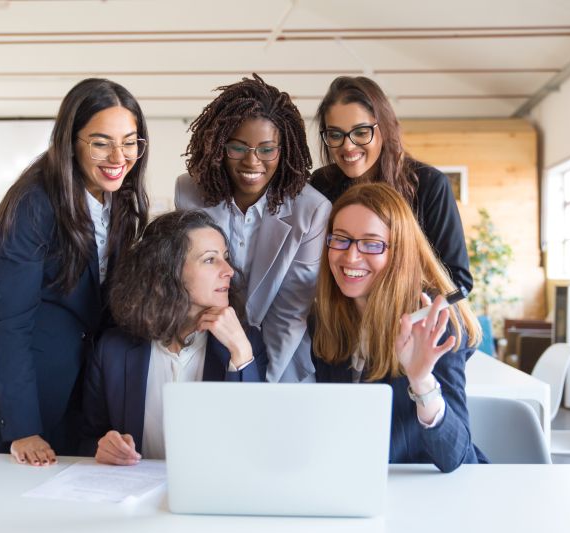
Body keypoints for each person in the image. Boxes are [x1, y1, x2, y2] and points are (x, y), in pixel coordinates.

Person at [0, 78, 150, 466]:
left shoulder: (119, 204)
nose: (119, 156)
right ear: (71, 142)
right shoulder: (35, 204)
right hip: (4, 400)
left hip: (69, 391)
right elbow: (10, 323)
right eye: (101, 141)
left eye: (130, 141)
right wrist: (22, 428)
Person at [312, 183, 486, 473]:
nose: (351, 257)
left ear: (400, 251)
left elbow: (456, 458)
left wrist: (421, 381)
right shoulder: (324, 317)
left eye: (371, 244)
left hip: (422, 491)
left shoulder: (434, 321)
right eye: (340, 239)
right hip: (351, 482)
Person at [175, 74, 330, 383]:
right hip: (204, 348)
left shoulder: (311, 210)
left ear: (283, 150)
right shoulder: (189, 192)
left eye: (266, 149)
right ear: (220, 145)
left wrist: (255, 381)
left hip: (281, 365)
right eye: (238, 147)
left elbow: (289, 313)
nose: (252, 161)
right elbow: (186, 284)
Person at [81, 210, 268, 464]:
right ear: (166, 271)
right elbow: (88, 437)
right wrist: (102, 448)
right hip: (135, 496)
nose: (229, 271)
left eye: (225, 258)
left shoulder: (246, 344)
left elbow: (255, 447)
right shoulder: (112, 349)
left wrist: (241, 354)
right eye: (210, 260)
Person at [311, 76, 473, 295]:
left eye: (361, 132)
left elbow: (457, 280)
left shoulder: (429, 185)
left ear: (384, 129)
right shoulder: (321, 186)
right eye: (335, 134)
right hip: (341, 322)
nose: (347, 145)